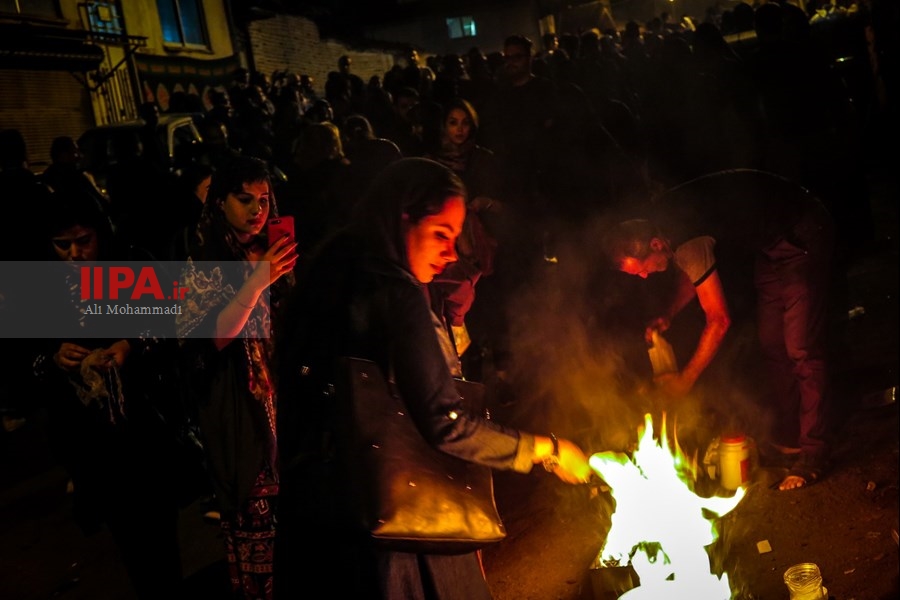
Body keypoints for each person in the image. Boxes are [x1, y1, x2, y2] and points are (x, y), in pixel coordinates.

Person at [273, 157, 591, 599]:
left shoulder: (331, 267)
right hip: (399, 526)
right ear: (403, 216)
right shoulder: (396, 291)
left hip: (323, 519)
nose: (450, 253)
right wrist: (544, 449)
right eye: (440, 235)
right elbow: (446, 421)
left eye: (456, 239)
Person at [601, 169, 836, 491]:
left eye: (642, 270)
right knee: (772, 343)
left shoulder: (684, 237)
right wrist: (669, 313)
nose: (644, 277)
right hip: (769, 248)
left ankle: (814, 453)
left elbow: (719, 320)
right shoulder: (667, 229)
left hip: (801, 229)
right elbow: (694, 271)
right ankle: (790, 439)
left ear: (655, 244)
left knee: (801, 349)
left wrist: (685, 380)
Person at [30, 186, 186, 599]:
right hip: (91, 441)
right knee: (129, 541)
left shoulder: (133, 264)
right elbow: (25, 360)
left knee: (158, 537)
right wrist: (55, 355)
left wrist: (130, 344)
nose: (75, 255)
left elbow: (171, 328)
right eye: (62, 245)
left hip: (146, 427)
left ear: (102, 231)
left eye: (84, 241)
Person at [175, 156, 298, 599]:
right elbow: (214, 338)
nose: (257, 210)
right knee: (257, 532)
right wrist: (257, 279)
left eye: (264, 200)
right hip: (241, 414)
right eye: (244, 199)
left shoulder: (272, 249)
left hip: (286, 407)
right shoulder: (205, 259)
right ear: (220, 201)